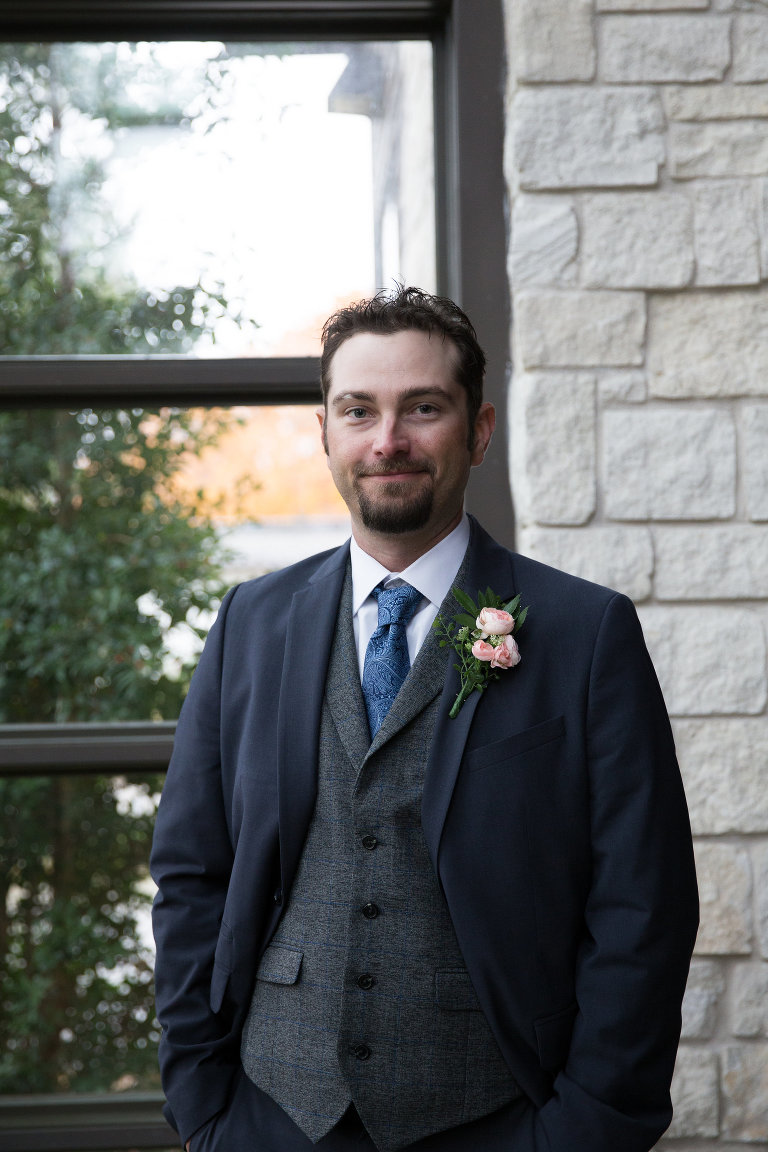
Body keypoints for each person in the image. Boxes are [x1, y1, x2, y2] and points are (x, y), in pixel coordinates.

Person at [150, 285, 698, 1152]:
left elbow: (643, 904)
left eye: (424, 408)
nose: (388, 440)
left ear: (478, 430)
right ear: (326, 432)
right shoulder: (250, 624)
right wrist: (204, 1101)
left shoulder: (585, 632)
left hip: (504, 1116)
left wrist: (590, 1128)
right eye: (358, 410)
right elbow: (191, 871)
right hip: (269, 1113)